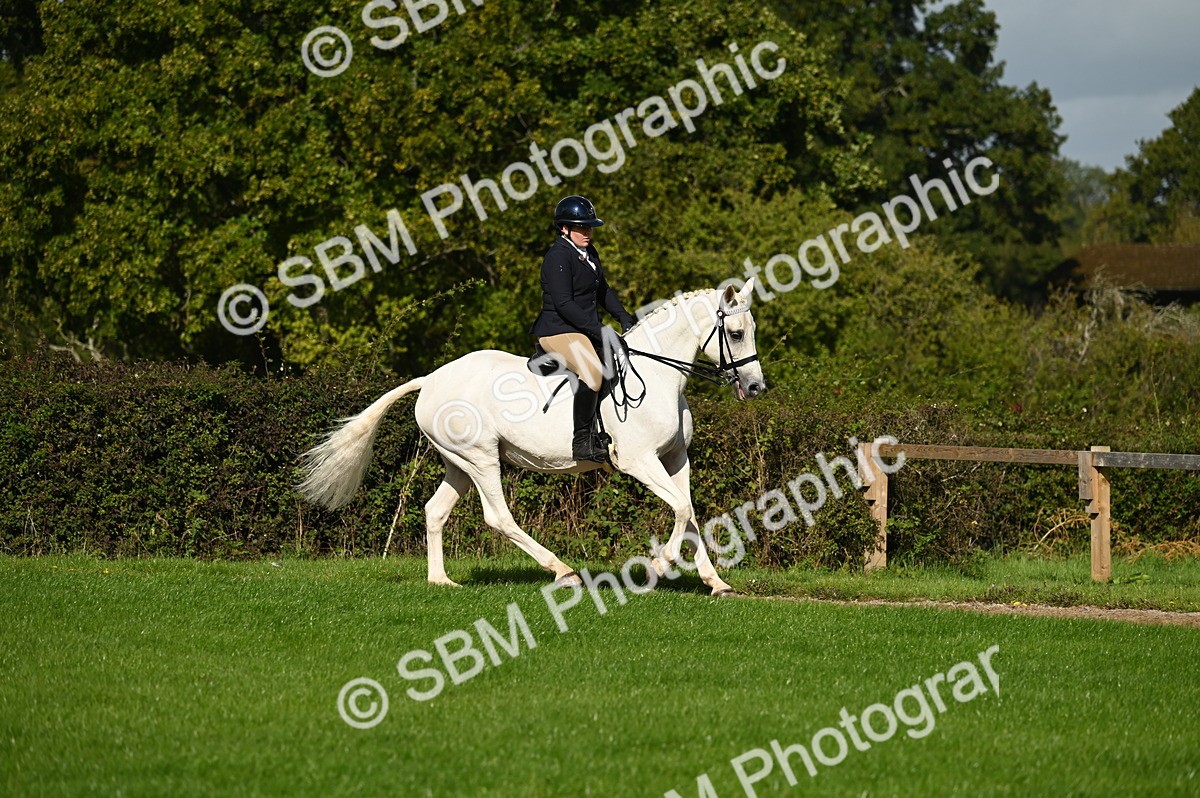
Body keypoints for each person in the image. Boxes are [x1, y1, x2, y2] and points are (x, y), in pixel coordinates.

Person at [529, 195, 637, 463]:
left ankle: (602, 429)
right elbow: (564, 304)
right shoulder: (558, 257)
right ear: (565, 229)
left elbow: (603, 290)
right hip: (557, 329)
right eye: (582, 228)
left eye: (589, 227)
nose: (588, 232)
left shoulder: (589, 253)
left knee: (618, 364)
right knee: (592, 373)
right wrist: (601, 330)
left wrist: (624, 317)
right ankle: (581, 441)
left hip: (582, 328)